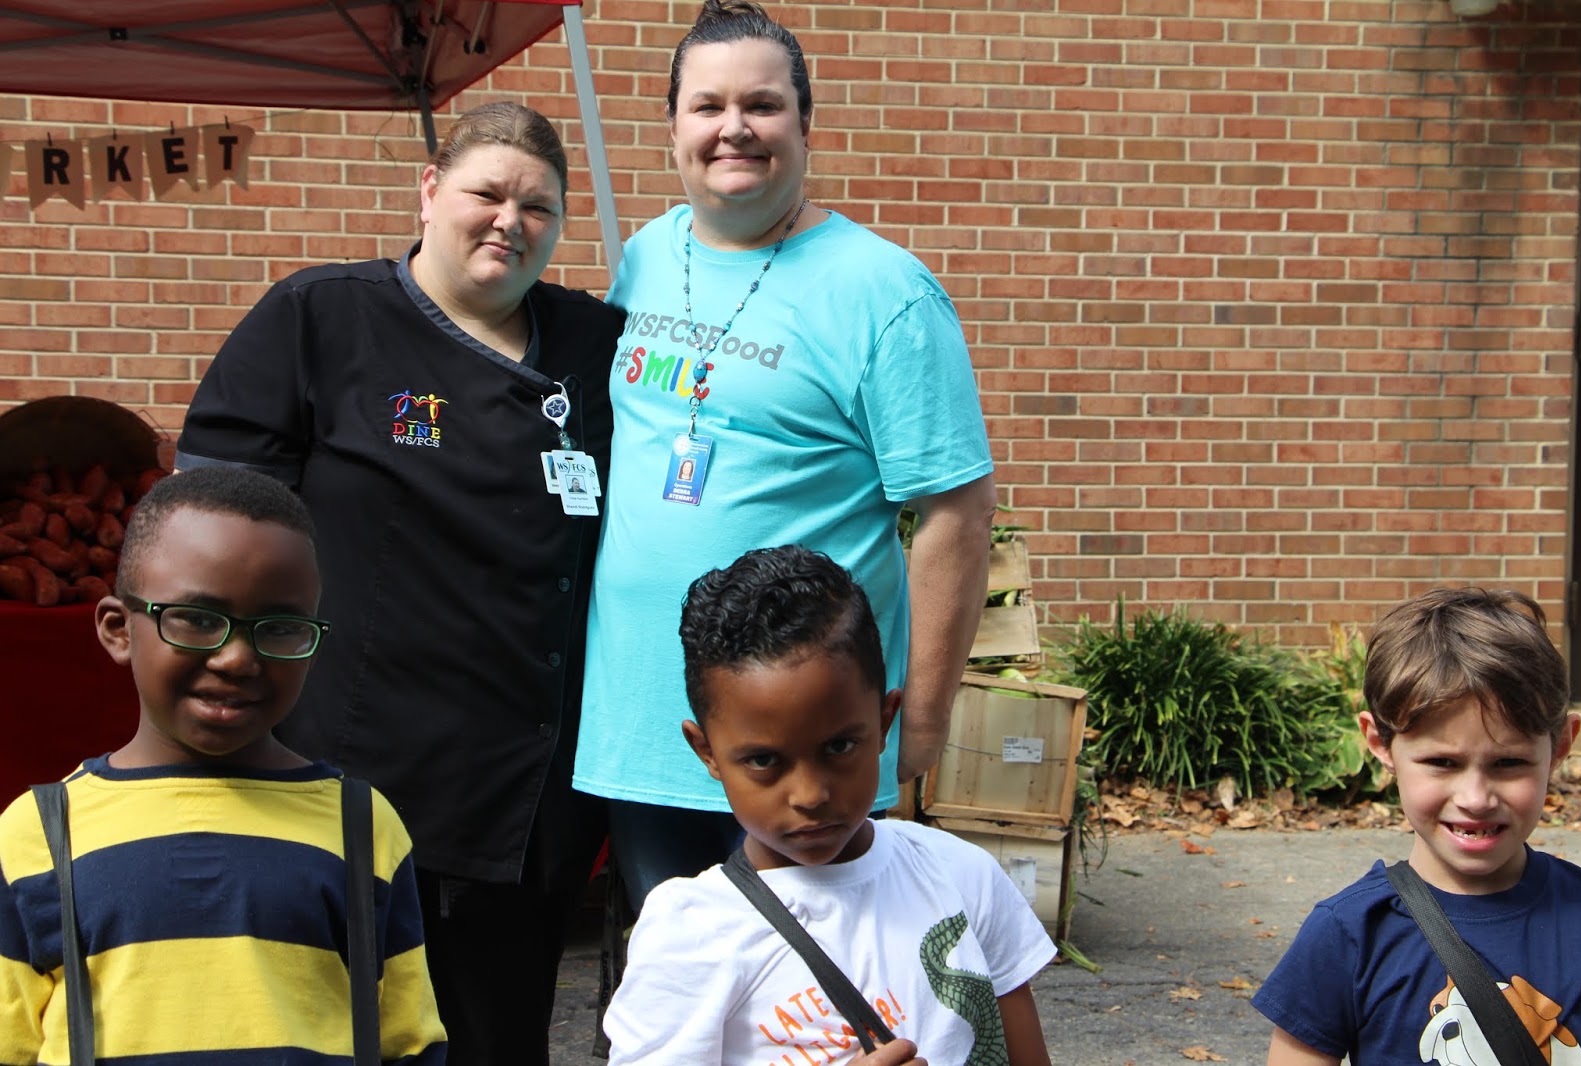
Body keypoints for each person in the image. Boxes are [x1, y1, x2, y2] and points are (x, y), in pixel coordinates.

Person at [174, 102, 622, 1064]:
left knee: (497, 1042)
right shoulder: (321, 318)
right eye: (487, 193)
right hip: (345, 781)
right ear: (430, 191)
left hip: (522, 801)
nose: (510, 220)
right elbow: (212, 526)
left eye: (538, 207)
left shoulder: (593, 344)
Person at [576, 0, 997, 913]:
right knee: (683, 1008)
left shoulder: (884, 291)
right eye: (708, 105)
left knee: (809, 1014)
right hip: (647, 726)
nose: (735, 128)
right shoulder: (646, 255)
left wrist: (917, 723)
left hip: (804, 743)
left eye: (762, 105)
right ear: (674, 127)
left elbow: (955, 514)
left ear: (804, 124)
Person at [0, 467, 447, 1063]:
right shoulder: (40, 832)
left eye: (281, 628)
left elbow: (408, 1043)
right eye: (197, 619)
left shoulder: (361, 825)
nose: (236, 658)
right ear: (118, 630)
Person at [602, 545, 1054, 1064]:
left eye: (839, 747)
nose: (811, 795)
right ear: (707, 751)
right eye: (764, 760)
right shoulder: (689, 935)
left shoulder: (962, 875)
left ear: (885, 722)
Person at [1252, 587, 1581, 1064]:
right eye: (1441, 762)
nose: (1476, 798)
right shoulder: (1351, 934)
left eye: (1508, 763)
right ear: (1379, 742)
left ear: (1560, 747)